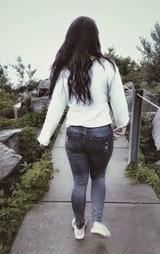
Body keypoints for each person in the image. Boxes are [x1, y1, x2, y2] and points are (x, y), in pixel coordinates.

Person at [37, 16, 129, 240]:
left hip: (75, 134)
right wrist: (123, 124)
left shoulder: (65, 69)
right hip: (101, 134)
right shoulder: (107, 66)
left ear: (71, 38)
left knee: (79, 182)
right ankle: (97, 221)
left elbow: (56, 106)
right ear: (94, 37)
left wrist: (45, 138)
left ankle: (79, 226)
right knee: (98, 177)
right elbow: (118, 100)